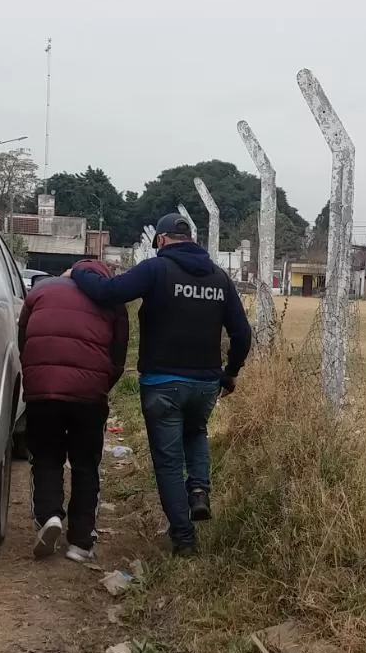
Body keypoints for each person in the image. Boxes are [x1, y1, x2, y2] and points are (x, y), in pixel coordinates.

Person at [70, 213, 252, 556]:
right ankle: (199, 491)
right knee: (196, 433)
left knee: (168, 462)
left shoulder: (156, 270)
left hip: (162, 383)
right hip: (205, 383)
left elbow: (110, 293)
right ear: (192, 240)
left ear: (161, 240)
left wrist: (80, 272)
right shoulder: (219, 277)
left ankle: (184, 540)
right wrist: (230, 372)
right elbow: (242, 334)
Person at [18, 260, 129, 562]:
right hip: (89, 395)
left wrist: (35, 378)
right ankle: (80, 542)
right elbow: (118, 355)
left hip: (42, 391)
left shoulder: (40, 292)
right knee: (85, 463)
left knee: (46, 455)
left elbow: (23, 340)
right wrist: (101, 384)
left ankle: (49, 516)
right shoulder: (111, 301)